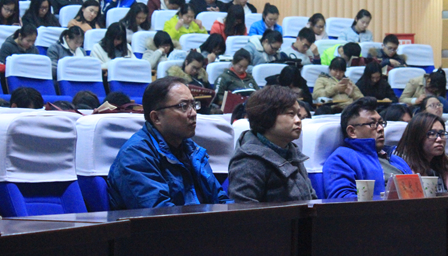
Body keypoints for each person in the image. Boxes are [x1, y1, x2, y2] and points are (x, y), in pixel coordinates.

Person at [107, 77, 232, 209]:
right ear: (156, 118)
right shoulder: (135, 155)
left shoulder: (192, 151)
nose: (193, 113)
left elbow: (220, 200)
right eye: (183, 106)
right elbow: (160, 214)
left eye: (193, 105)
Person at [227, 85, 316, 202]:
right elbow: (243, 210)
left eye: (298, 115)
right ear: (267, 116)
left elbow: (311, 199)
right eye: (291, 114)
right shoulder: (248, 160)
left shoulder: (291, 152)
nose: (298, 121)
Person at [323, 97, 411, 198]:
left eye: (381, 123)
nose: (380, 128)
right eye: (372, 124)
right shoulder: (342, 159)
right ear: (352, 132)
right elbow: (341, 200)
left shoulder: (396, 159)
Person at [395, 112, 448, 193]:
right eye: (432, 134)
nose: (439, 139)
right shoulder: (402, 165)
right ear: (417, 137)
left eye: (442, 134)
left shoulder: (446, 163)